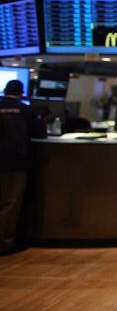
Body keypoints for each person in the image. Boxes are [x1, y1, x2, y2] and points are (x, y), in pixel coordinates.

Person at [0, 80, 47, 254]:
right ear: (22, 93)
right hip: (15, 162)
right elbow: (41, 133)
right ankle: (4, 244)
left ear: (5, 90)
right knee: (9, 203)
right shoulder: (26, 110)